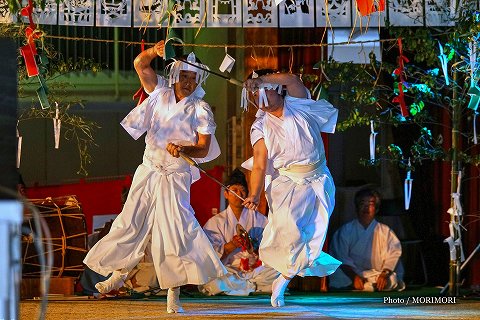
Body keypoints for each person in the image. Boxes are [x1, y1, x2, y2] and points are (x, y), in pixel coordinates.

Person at [83, 40, 227, 313]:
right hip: (149, 168)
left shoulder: (201, 108)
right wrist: (153, 51)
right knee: (131, 221)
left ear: (199, 80)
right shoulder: (159, 90)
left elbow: (204, 147)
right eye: (184, 75)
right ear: (175, 74)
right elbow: (140, 64)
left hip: (176, 174)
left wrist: (186, 148)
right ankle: (120, 273)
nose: (188, 82)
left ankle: (173, 292)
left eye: (193, 78)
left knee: (174, 231)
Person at [241, 70, 342, 307]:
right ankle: (282, 279)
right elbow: (259, 162)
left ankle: (283, 279)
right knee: (290, 232)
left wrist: (263, 80)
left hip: (318, 179)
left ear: (276, 89)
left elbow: (293, 79)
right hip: (287, 185)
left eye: (263, 89)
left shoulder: (299, 103)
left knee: (312, 239)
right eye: (254, 92)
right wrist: (254, 194)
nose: (259, 95)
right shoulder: (260, 126)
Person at [199, 168, 279, 296]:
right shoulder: (215, 222)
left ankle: (244, 286)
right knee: (213, 279)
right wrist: (232, 245)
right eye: (234, 190)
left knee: (276, 270)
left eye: (242, 190)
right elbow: (208, 255)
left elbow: (272, 246)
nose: (239, 194)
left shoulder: (259, 219)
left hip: (255, 269)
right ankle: (254, 286)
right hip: (229, 269)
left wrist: (254, 248)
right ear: (226, 194)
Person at [329, 187, 405, 292]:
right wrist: (354, 277)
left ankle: (368, 285)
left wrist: (384, 275)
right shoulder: (345, 231)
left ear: (376, 209)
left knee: (392, 278)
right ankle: (366, 285)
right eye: (362, 203)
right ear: (356, 207)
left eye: (371, 204)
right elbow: (341, 257)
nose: (366, 207)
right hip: (352, 273)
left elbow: (393, 254)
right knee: (337, 277)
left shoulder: (385, 231)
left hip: (378, 273)